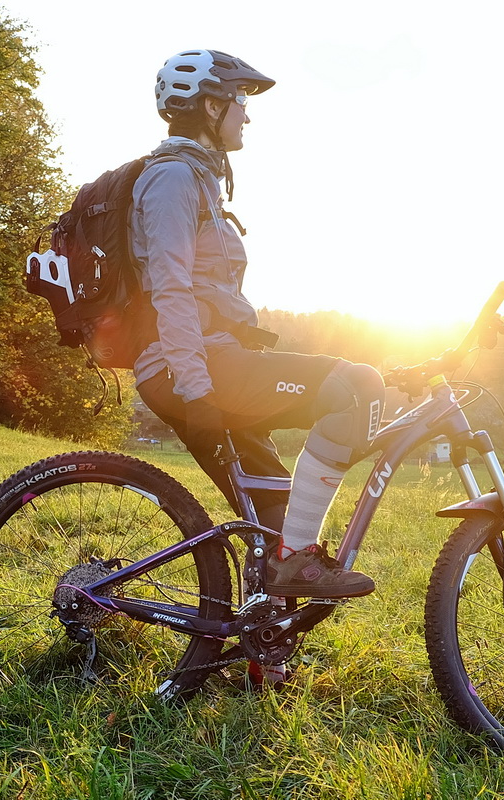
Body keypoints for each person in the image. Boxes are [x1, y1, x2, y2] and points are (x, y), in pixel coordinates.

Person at [132, 49, 382, 599]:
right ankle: (296, 564)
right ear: (210, 106)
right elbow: (170, 289)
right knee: (357, 386)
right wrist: (196, 389)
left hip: (210, 361)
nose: (247, 113)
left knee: (278, 520)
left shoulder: (200, 180)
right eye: (240, 100)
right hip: (189, 368)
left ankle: (265, 635)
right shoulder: (173, 180)